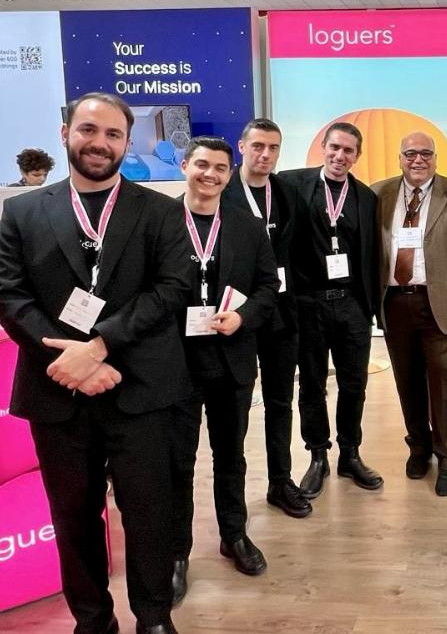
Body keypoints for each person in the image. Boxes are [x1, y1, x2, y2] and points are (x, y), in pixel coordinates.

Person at [0, 91, 192, 634]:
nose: (99, 143)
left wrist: (97, 347)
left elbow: (172, 289)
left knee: (149, 512)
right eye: (88, 130)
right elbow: (9, 296)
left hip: (141, 388)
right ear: (65, 134)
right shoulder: (23, 211)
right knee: (73, 517)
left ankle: (153, 617)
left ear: (126, 143)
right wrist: (71, 361)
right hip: (57, 392)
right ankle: (93, 620)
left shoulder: (160, 211)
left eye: (113, 134)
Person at [170, 136, 279, 602]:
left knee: (230, 456)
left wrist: (243, 317)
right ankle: (176, 552)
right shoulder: (160, 221)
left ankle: (233, 534)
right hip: (175, 362)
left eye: (219, 167)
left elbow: (268, 286)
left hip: (231, 357)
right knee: (177, 462)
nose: (210, 174)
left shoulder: (247, 226)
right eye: (201, 165)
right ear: (184, 166)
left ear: (229, 174)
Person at [372, 132, 447, 496]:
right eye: (411, 153)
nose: (418, 160)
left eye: (426, 153)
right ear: (400, 157)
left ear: (436, 157)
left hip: (441, 302)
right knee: (407, 379)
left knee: (446, 381)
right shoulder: (379, 194)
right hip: (395, 301)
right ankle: (419, 447)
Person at [282, 122, 383, 497]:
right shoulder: (292, 185)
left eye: (348, 151)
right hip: (309, 303)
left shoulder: (366, 198)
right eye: (335, 148)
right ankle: (318, 456)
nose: (340, 156)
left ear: (357, 156)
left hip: (352, 305)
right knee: (311, 385)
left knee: (354, 384)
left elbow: (371, 254)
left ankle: (350, 454)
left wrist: (371, 308)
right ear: (323, 147)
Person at [222, 119, 311, 519]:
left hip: (282, 313)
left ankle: (280, 481)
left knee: (280, 401)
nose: (265, 154)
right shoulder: (223, 190)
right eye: (258, 146)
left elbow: (301, 250)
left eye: (273, 147)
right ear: (242, 146)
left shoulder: (288, 193)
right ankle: (233, 497)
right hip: (238, 315)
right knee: (236, 407)